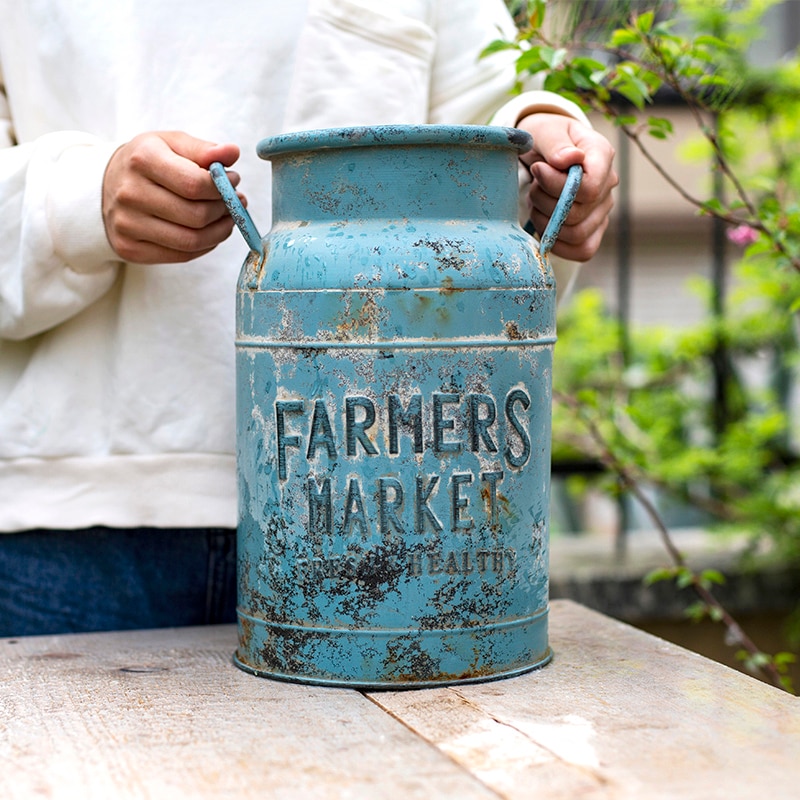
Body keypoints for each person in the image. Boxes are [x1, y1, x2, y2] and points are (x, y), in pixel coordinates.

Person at [0, 0, 617, 636]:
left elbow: (496, 130)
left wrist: (544, 161)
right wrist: (82, 198)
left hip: (387, 507)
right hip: (74, 524)